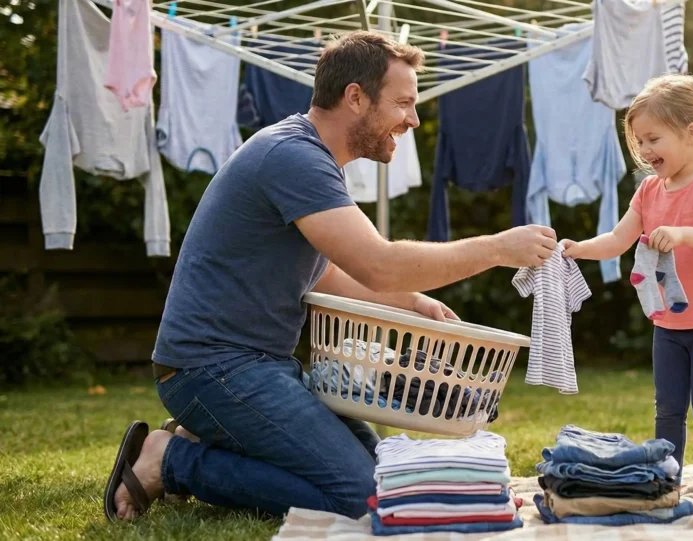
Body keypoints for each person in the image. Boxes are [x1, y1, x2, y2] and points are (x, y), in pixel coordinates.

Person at [104, 31, 557, 522]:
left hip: (258, 366)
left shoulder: (309, 157)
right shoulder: (293, 157)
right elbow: (377, 264)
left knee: (384, 475)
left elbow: (324, 276)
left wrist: (412, 301)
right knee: (364, 500)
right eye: (403, 103)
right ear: (355, 97)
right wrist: (496, 249)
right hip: (211, 370)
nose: (413, 119)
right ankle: (170, 461)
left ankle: (206, 435)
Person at [560, 74, 693, 491]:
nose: (645, 150)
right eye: (640, 141)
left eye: (653, 139)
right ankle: (665, 484)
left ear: (692, 133)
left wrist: (680, 234)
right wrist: (577, 249)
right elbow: (617, 239)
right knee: (668, 410)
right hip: (668, 323)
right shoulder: (648, 190)